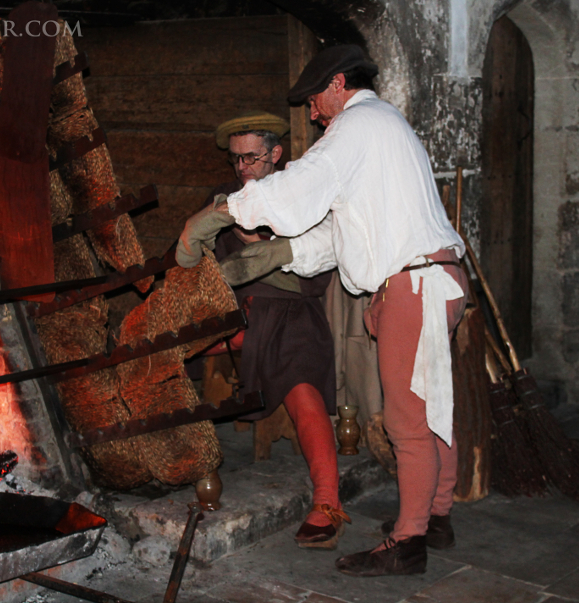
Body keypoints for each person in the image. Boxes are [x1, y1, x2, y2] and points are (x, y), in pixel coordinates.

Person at [177, 45, 468, 576]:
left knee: (408, 424)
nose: (312, 112)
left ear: (337, 84)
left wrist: (219, 214)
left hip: (415, 284)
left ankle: (408, 543)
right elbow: (343, 231)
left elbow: (302, 187)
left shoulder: (358, 125)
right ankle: (437, 517)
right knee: (429, 410)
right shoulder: (383, 127)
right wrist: (286, 252)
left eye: (314, 99)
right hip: (428, 278)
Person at [190, 111, 350, 549]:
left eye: (253, 159)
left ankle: (327, 501)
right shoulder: (222, 199)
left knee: (301, 383)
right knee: (171, 346)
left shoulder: (302, 198)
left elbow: (317, 272)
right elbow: (193, 258)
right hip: (233, 313)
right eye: (236, 160)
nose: (243, 169)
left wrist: (265, 247)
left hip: (291, 311)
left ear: (276, 154)